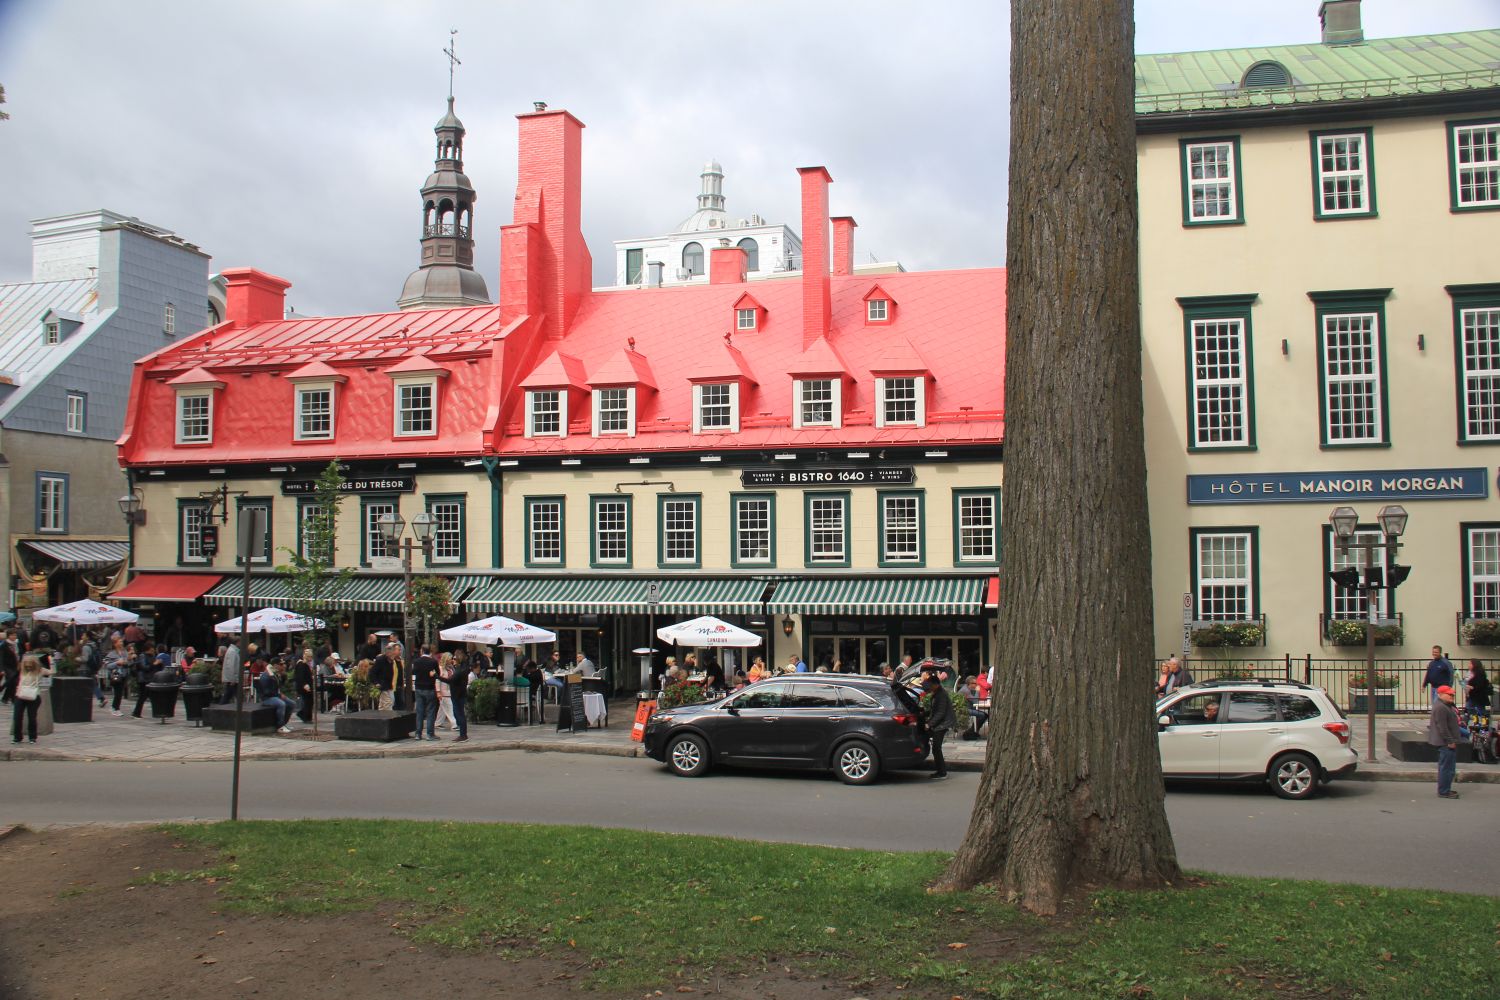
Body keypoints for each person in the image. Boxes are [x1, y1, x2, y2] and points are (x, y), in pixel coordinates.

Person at [1428, 683, 1463, 799]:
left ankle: (1446, 788)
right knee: (1446, 768)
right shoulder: (1440, 708)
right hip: (1445, 743)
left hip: (1447, 741)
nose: (1452, 696)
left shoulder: (1445, 705)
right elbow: (1442, 727)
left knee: (1449, 768)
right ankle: (1444, 791)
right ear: (1441, 694)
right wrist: (1450, 741)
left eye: (1452, 694)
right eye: (1449, 695)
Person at [10, 652, 53, 744]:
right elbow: (14, 679)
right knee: (17, 717)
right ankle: (17, 737)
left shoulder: (40, 670)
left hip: (33, 697)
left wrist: (51, 661)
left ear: (34, 664)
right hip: (20, 696)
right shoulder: (21, 669)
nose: (28, 667)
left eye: (30, 665)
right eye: (26, 665)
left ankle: (32, 737)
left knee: (32, 717)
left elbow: (52, 672)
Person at [920, 675, 954, 779]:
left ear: (936, 684)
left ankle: (942, 772)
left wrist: (929, 724)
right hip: (940, 723)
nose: (929, 687)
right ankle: (940, 771)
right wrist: (923, 713)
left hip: (942, 724)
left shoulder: (941, 695)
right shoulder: (936, 693)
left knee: (936, 748)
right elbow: (934, 710)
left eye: (930, 685)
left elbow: (940, 713)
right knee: (935, 747)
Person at [255, 659, 294, 733]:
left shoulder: (275, 673)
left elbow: (278, 686)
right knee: (281, 704)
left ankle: (284, 724)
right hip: (267, 698)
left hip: (275, 695)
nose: (283, 666)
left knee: (291, 703)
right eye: (281, 664)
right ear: (276, 665)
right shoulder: (267, 675)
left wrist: (283, 676)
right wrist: (278, 695)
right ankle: (280, 726)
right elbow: (266, 692)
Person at [411, 644, 439, 740]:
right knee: (430, 711)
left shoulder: (417, 661)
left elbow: (413, 672)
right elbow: (438, 674)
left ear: (422, 651)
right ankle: (430, 734)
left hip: (419, 688)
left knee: (420, 711)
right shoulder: (433, 662)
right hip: (430, 688)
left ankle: (418, 733)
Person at [444, 651, 469, 742]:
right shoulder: (461, 669)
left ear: (458, 660)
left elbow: (450, 680)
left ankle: (463, 735)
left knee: (459, 714)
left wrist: (436, 676)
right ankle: (463, 734)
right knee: (458, 713)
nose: (452, 660)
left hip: (458, 695)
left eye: (454, 659)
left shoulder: (459, 671)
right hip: (459, 694)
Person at [370, 643, 398, 711]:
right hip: (383, 685)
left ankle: (381, 717)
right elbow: (372, 672)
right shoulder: (381, 660)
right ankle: (388, 718)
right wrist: (376, 682)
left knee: (387, 702)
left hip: (389, 685)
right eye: (392, 654)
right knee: (388, 702)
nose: (393, 656)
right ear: (388, 653)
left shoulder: (392, 661)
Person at [435, 652, 457, 731]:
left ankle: (438, 723)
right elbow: (437, 680)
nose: (451, 660)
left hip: (450, 691)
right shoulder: (440, 668)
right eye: (450, 659)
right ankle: (454, 724)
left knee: (443, 709)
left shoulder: (451, 668)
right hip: (443, 691)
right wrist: (438, 691)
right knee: (449, 707)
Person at [292, 651, 315, 724]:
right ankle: (306, 717)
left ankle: (305, 715)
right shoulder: (301, 664)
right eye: (309, 656)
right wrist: (304, 684)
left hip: (308, 685)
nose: (310, 658)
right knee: (307, 702)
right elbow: (300, 676)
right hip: (304, 686)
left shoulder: (306, 664)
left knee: (310, 701)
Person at [219, 639, 243, 705]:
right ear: (237, 642)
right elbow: (230, 666)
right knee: (230, 694)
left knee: (230, 694)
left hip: (233, 678)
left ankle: (222, 706)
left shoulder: (233, 651)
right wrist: (232, 679)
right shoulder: (232, 651)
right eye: (241, 642)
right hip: (233, 679)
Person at [1, 629, 19, 704]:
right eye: (12, 635)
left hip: (16, 665)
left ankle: (5, 698)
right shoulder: (4, 645)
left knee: (13, 682)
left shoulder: (17, 643)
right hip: (7, 666)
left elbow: (19, 653)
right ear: (8, 636)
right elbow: (1, 657)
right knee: (12, 680)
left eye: (15, 635)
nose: (14, 636)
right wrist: (1, 669)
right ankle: (13, 699)